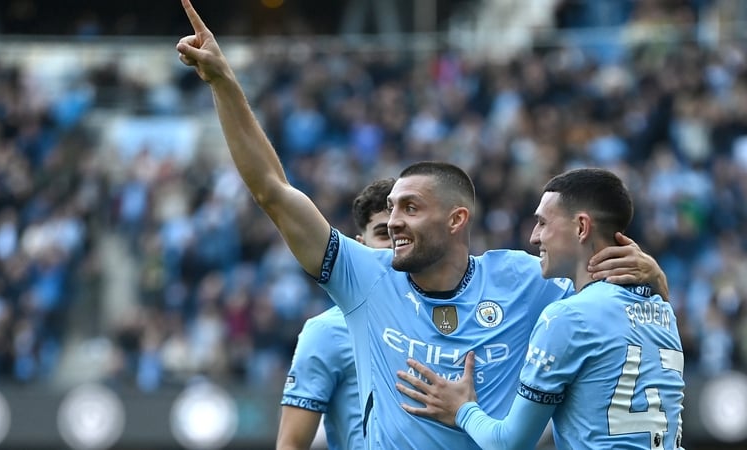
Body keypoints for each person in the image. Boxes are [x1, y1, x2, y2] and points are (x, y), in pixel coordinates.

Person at [176, 3, 670, 447]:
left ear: (457, 219)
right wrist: (224, 82)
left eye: (410, 208)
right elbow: (272, 190)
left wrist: (656, 281)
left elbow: (628, 326)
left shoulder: (529, 282)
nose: (392, 222)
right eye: (391, 208)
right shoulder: (363, 278)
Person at [396, 168, 684, 449]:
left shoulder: (567, 317)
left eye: (543, 223)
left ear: (581, 227)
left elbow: (509, 443)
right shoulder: (662, 308)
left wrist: (462, 409)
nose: (534, 236)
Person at [277, 178, 395, 450]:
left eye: (401, 233)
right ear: (359, 243)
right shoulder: (327, 331)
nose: (393, 245)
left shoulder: (442, 319)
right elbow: (291, 443)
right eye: (382, 233)